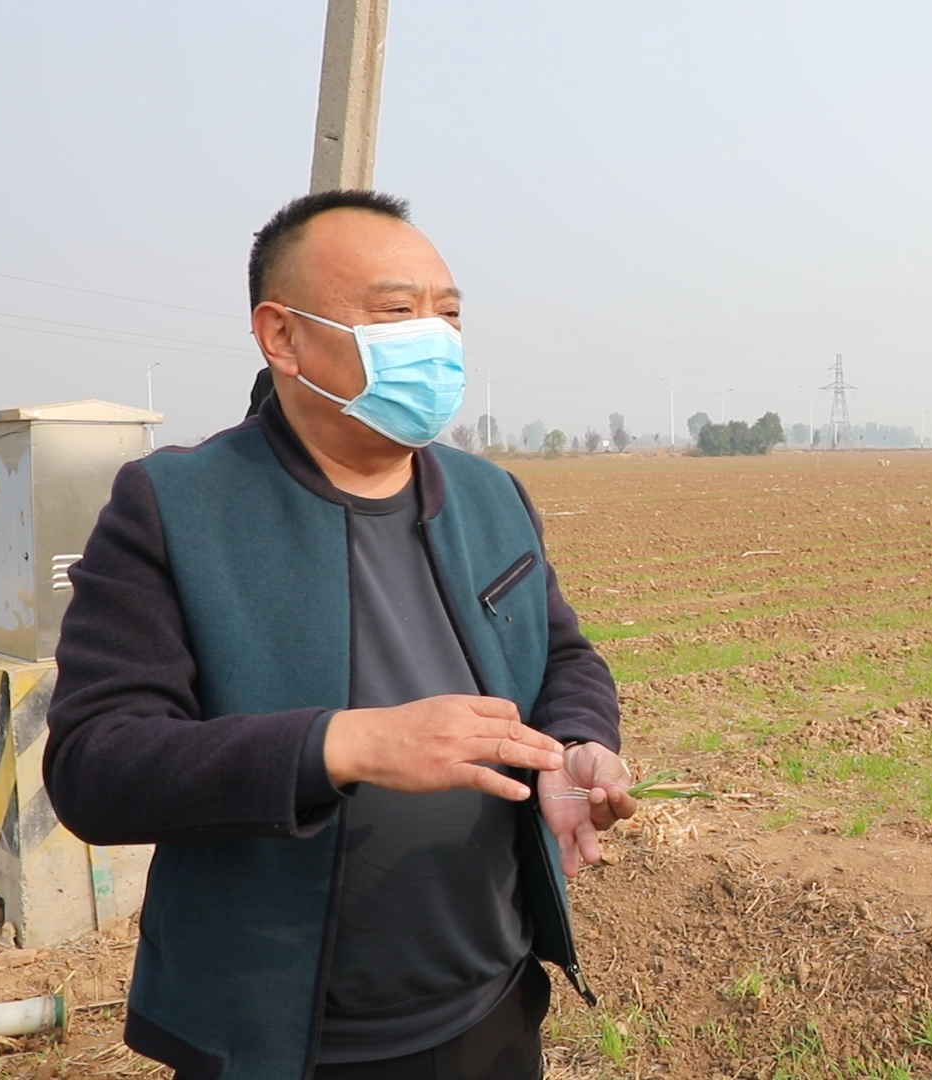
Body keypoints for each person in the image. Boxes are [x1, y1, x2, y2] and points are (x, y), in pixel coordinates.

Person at [45, 190, 635, 1080]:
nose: (434, 339)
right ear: (282, 336)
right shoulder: (176, 509)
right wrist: (344, 745)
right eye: (397, 313)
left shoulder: (490, 496)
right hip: (284, 1041)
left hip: (494, 1009)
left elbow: (563, 658)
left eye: (449, 315)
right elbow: (97, 766)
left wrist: (577, 744)